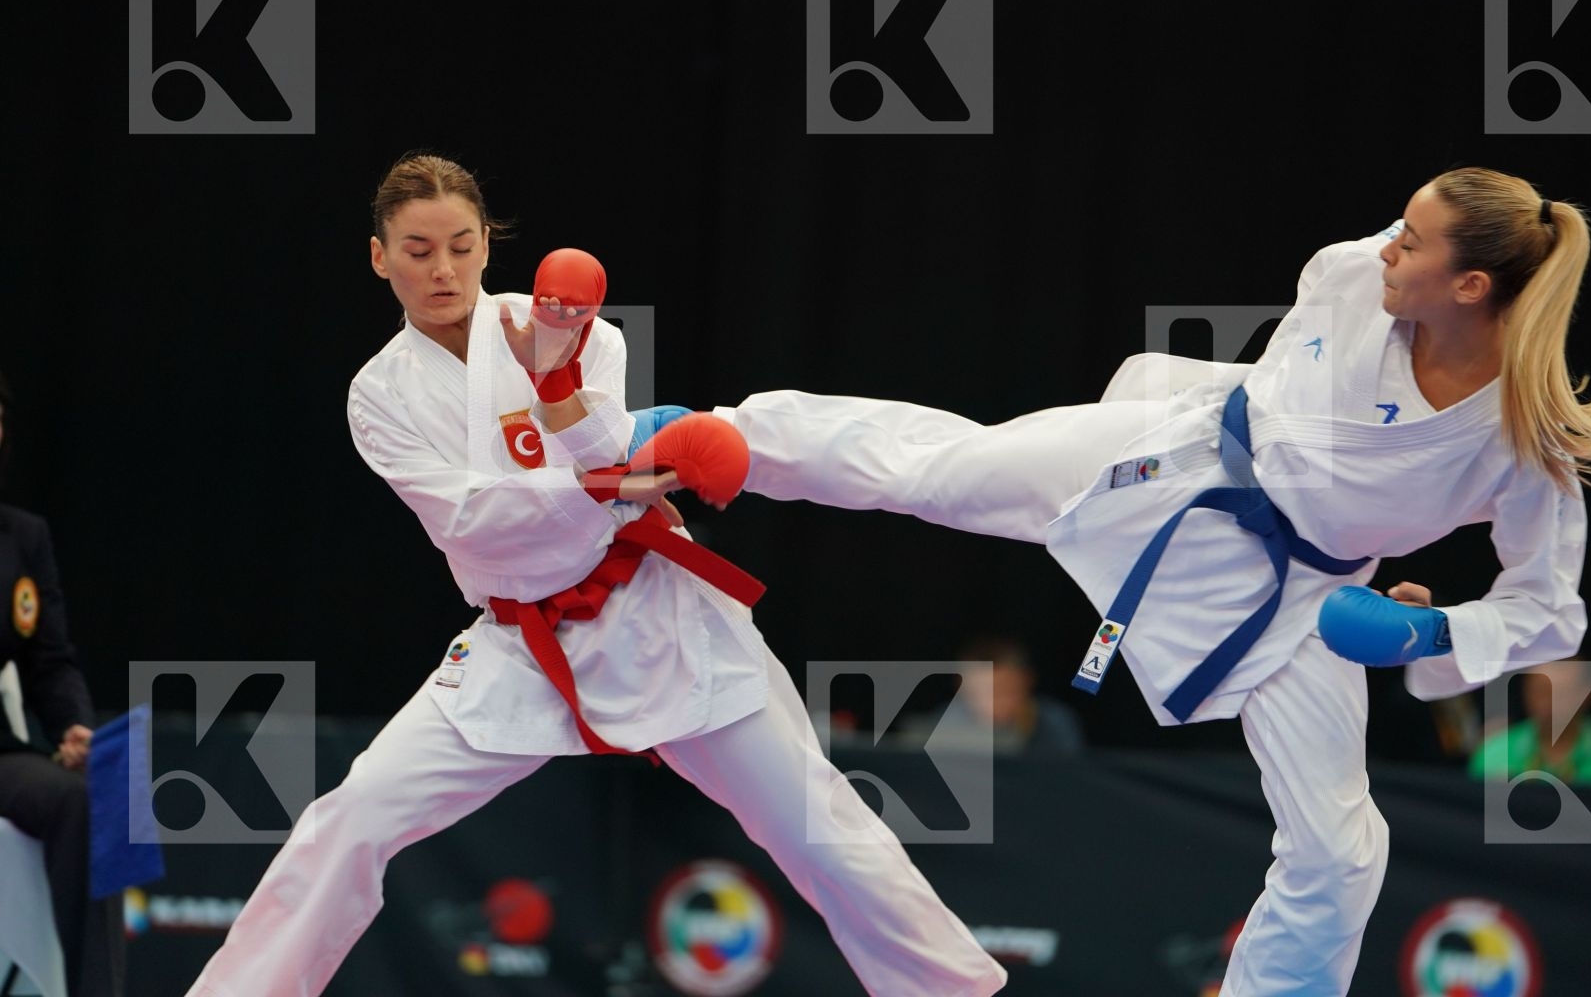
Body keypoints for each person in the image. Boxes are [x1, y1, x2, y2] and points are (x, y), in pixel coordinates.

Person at [711, 166, 1591, 995]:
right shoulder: (1357, 275)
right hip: (1185, 467)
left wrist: (1434, 633)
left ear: (1470, 286)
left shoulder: (1523, 440)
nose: (1390, 246)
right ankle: (719, 437)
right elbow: (1393, 260)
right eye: (1398, 228)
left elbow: (1549, 609)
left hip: (1305, 598)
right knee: (943, 474)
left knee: (1339, 852)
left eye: (1412, 242)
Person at [185, 154, 1005, 997]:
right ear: (379, 256)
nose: (443, 270)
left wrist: (558, 383)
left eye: (461, 246)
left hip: (655, 613)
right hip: (522, 642)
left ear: (486, 244)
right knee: (352, 818)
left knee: (815, 822)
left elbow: (613, 457)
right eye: (418, 250)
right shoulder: (379, 394)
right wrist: (599, 485)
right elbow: (468, 519)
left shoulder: (577, 328)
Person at [0, 369, 126, 997]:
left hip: (2, 755)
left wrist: (75, 727)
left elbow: (49, 661)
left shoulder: (22, 537)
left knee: (101, 794)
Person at [1466, 656, 1591, 786]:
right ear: (1526, 691)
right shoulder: (1494, 753)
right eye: (1541, 692)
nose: (1550, 703)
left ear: (1587, 694)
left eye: (1562, 694)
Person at [899, 635, 1085, 757]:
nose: (991, 705)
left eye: (1003, 692)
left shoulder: (1054, 724)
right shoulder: (944, 724)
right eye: (978, 694)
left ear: (1026, 681)